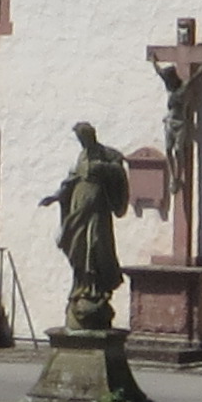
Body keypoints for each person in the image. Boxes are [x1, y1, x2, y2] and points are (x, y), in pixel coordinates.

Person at [51, 121, 129, 330]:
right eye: (79, 139)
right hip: (79, 207)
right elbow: (72, 179)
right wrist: (56, 196)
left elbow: (119, 172)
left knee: (95, 244)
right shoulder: (82, 156)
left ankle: (96, 289)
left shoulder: (108, 154)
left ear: (91, 135)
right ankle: (81, 287)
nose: (81, 142)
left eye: (83, 138)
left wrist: (102, 168)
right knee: (75, 245)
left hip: (97, 210)